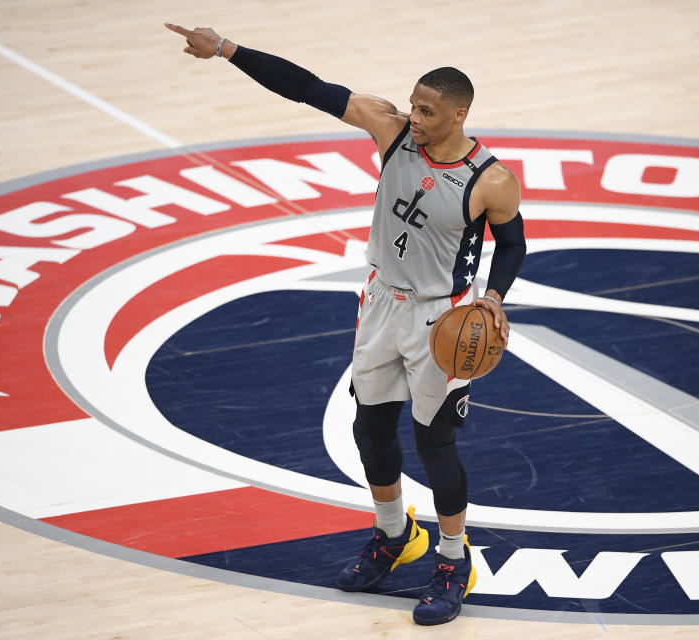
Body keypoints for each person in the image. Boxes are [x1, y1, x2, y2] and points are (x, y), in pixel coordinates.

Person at [165, 22, 526, 626]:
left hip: (441, 319)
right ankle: (394, 535)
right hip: (381, 302)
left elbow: (512, 245)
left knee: (435, 445)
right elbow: (306, 87)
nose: (414, 115)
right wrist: (227, 49)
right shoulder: (390, 132)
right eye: (413, 104)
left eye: (428, 110)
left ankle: (453, 559)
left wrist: (493, 297)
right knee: (371, 430)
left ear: (460, 113)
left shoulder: (492, 179)